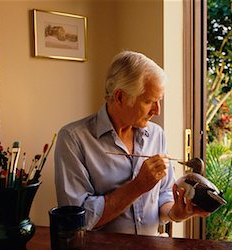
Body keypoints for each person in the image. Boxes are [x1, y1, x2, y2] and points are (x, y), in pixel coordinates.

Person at [54, 50, 209, 236]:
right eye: (149, 101)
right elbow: (77, 219)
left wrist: (177, 212)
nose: (157, 111)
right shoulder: (73, 139)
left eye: (159, 101)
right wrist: (138, 186)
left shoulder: (157, 135)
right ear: (120, 97)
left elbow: (164, 194)